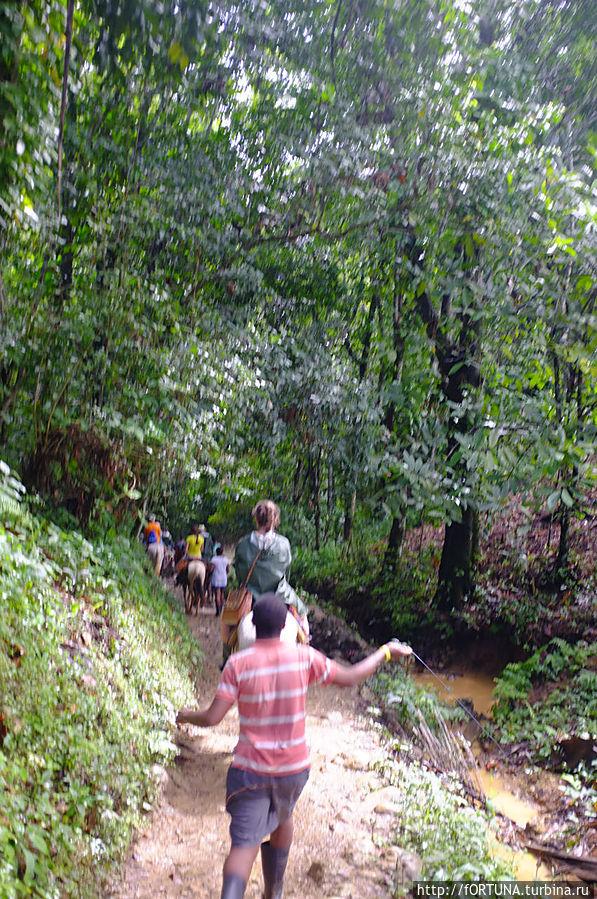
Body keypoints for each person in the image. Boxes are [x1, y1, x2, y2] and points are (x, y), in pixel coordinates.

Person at [177, 593, 412, 899]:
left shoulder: (237, 663)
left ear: (252, 626)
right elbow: (352, 677)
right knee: (283, 816)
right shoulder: (305, 657)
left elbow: (212, 718)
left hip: (250, 771)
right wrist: (385, 652)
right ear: (287, 626)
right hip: (293, 770)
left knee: (243, 845)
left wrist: (185, 715)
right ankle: (274, 890)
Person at [232, 499, 308, 630]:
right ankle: (305, 644)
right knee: (303, 620)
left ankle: (229, 650)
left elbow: (239, 575)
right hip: (279, 596)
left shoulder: (242, 544)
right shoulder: (284, 544)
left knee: (228, 626)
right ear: (275, 520)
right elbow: (286, 573)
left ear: (256, 519)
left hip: (250, 598)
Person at [210, 545, 230, 616]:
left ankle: (218, 611)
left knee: (217, 595)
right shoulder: (226, 559)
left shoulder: (214, 559)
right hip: (224, 578)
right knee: (222, 594)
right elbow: (228, 570)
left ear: (216, 552)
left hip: (216, 578)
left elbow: (211, 569)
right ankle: (221, 609)